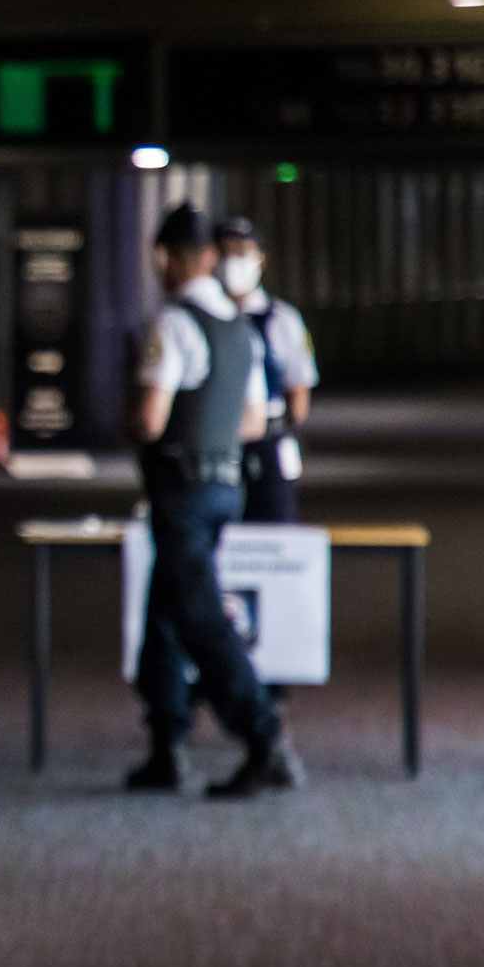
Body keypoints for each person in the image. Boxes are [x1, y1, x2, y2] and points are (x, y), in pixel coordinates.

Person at [123, 204, 302, 798]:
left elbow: (151, 419)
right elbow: (253, 420)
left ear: (169, 258)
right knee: (165, 612)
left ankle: (264, 736)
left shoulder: (173, 325)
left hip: (182, 489)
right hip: (227, 485)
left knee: (198, 616)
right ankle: (166, 743)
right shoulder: (239, 329)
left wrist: (138, 426)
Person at [213, 216, 319, 524]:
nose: (234, 262)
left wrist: (285, 432)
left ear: (261, 258)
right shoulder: (202, 318)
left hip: (268, 441)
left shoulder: (281, 319)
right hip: (215, 439)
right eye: (226, 252)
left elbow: (298, 390)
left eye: (243, 252)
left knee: (273, 525)